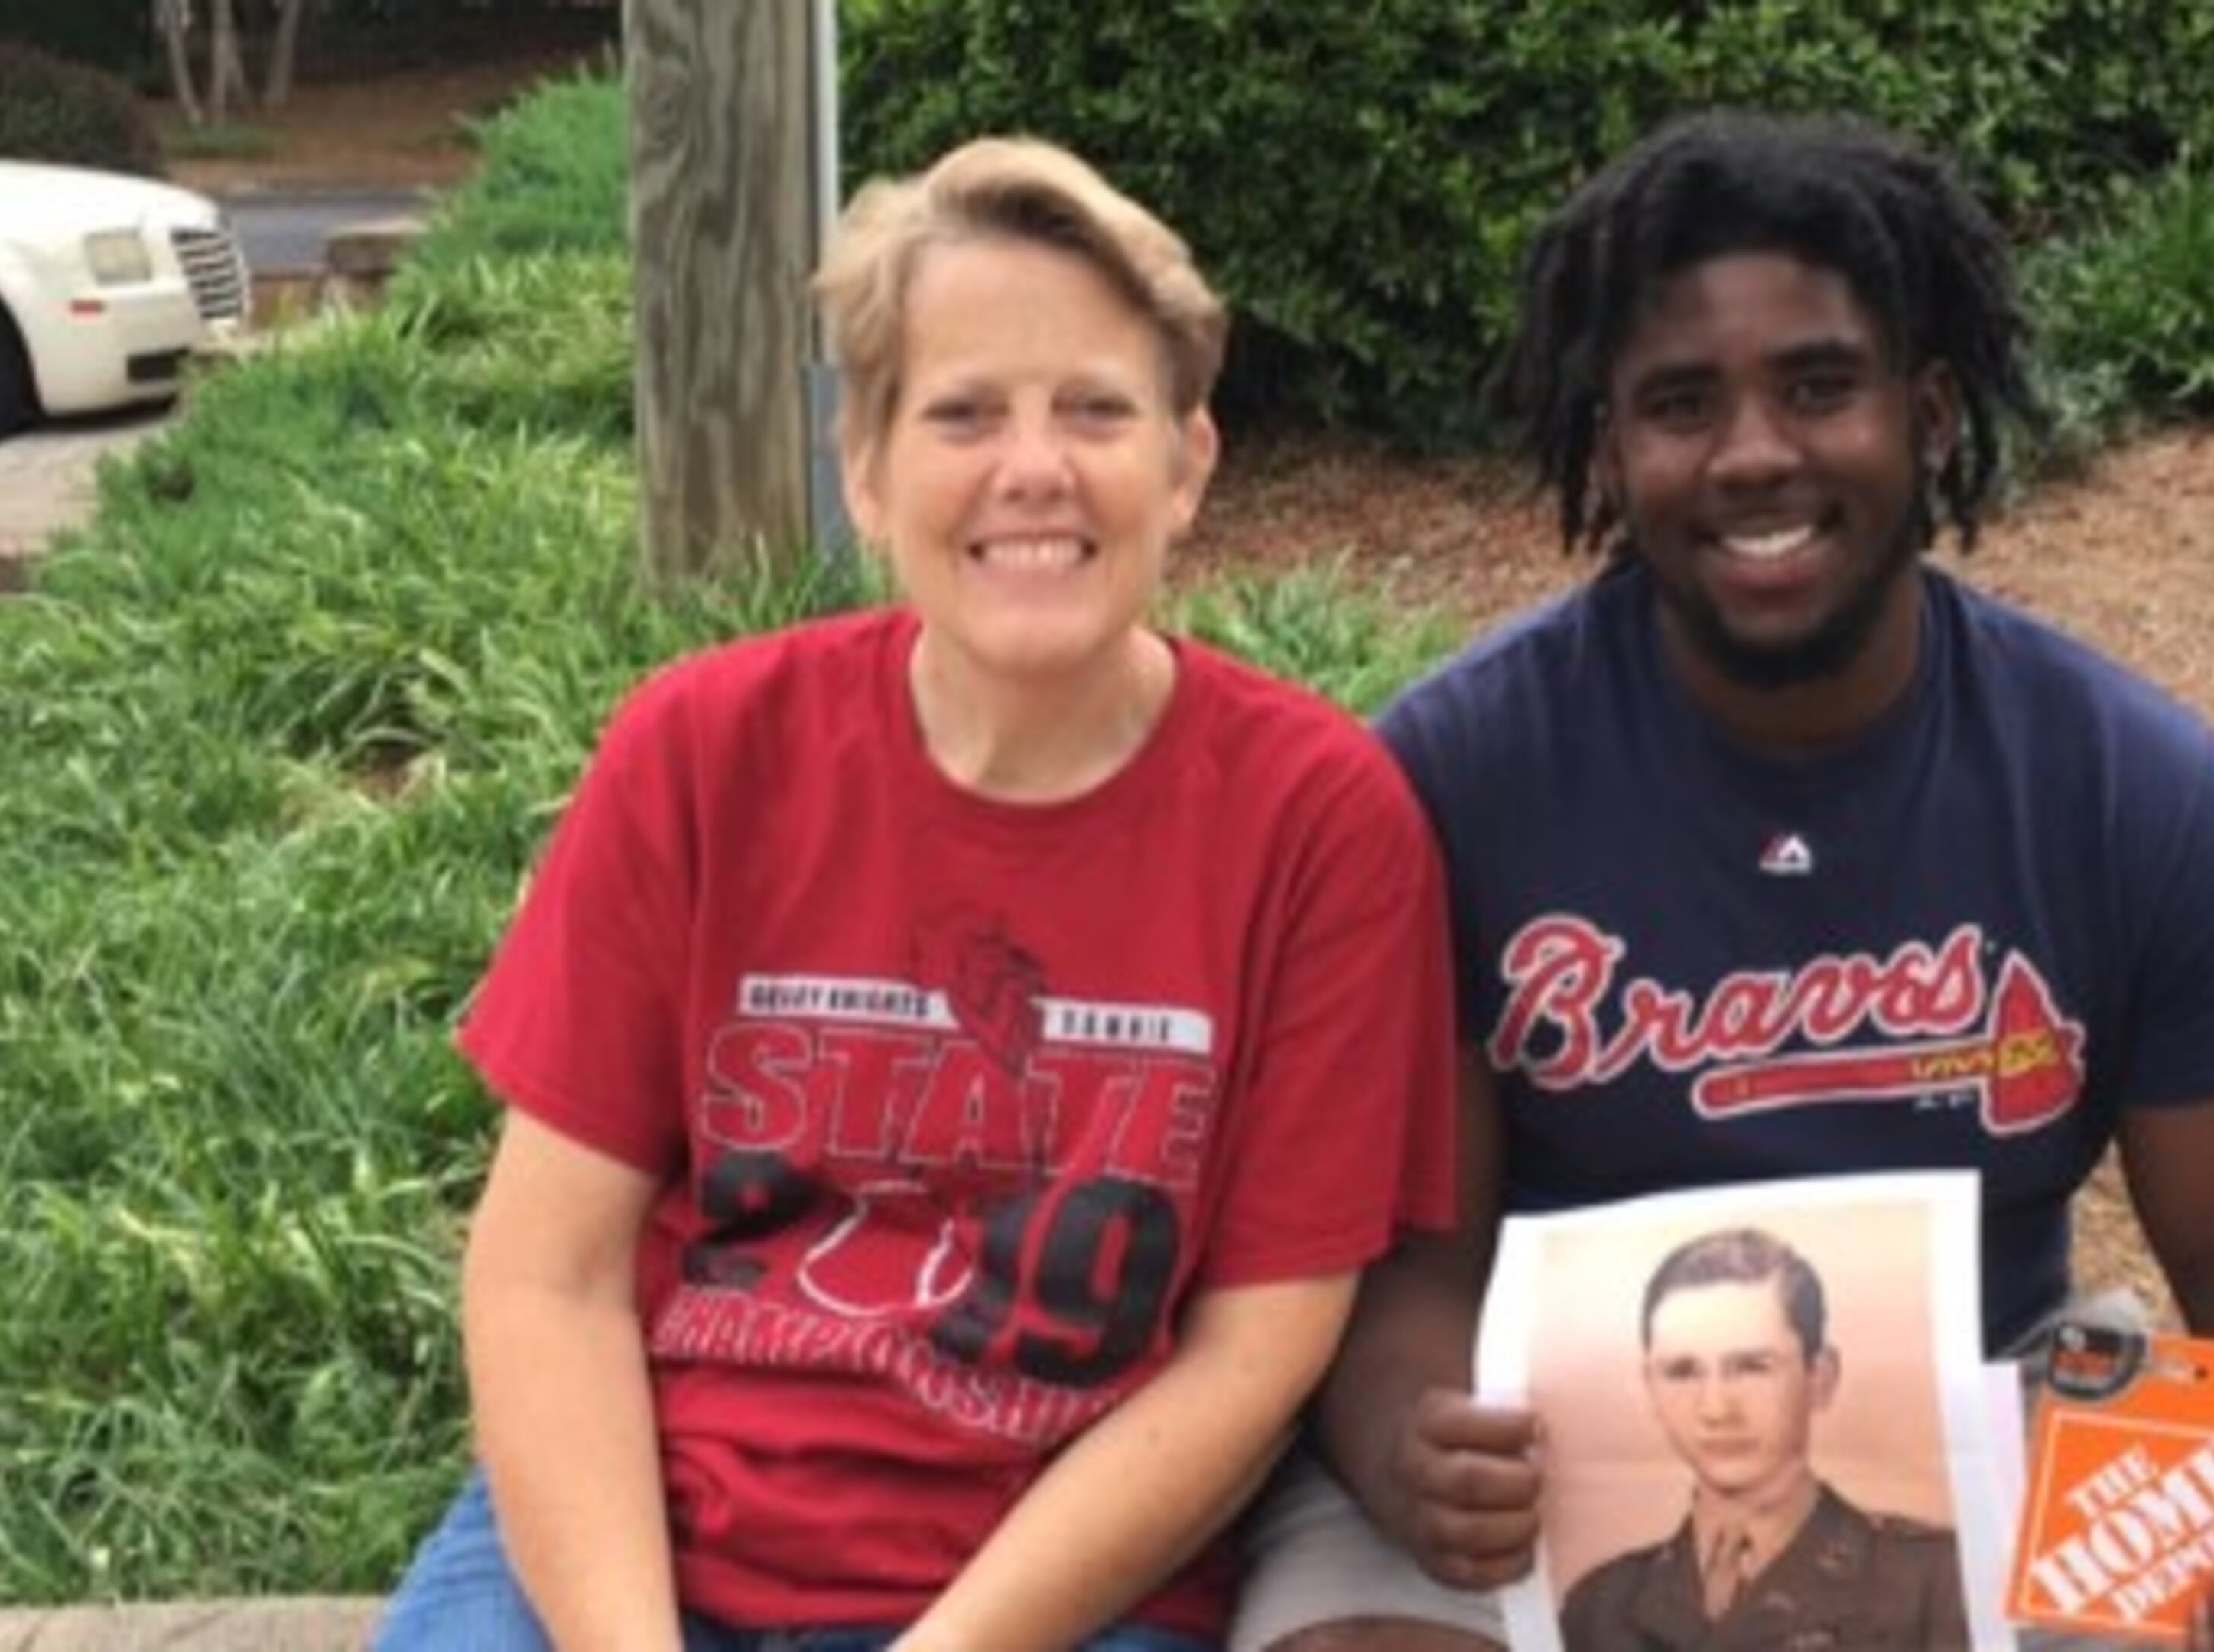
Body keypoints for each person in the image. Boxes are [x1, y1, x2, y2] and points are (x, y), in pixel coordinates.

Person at [1233, 112, 2214, 1652]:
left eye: (1819, 386)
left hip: (2009, 1388)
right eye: (1682, 404)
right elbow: (1398, 1271)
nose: (1756, 451)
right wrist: (1408, 1439)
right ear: (1612, 454)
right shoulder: (1453, 777)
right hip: (1558, 1446)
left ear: (1932, 413)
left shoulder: (2120, 779)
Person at [369, 136, 1455, 1652]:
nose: (1034, 467)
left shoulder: (1316, 822)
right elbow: (546, 1276)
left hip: (1060, 1583)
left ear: (1188, 464)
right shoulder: (703, 752)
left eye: (1095, 408)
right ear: (867, 472)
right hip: (644, 1539)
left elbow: (1253, 1358)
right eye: (962, 413)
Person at [1556, 1228, 1966, 1651]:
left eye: (1752, 1366)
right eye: (1682, 1371)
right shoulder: (1599, 1604)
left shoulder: (1935, 1580)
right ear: (1650, 1387)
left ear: (1820, 1376)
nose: (1716, 1409)